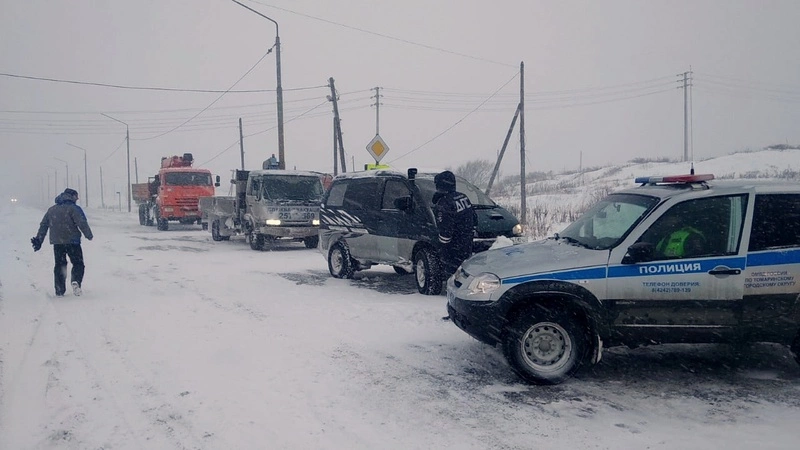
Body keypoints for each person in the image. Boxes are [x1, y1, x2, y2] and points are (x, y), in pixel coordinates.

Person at [31, 188, 93, 297]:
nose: (77, 199)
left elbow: (44, 225)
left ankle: (59, 289)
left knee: (60, 265)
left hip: (57, 242)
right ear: (71, 196)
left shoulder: (52, 210)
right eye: (76, 196)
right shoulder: (74, 209)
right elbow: (82, 222)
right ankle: (76, 281)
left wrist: (39, 240)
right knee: (78, 263)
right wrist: (88, 235)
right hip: (73, 241)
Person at [432, 171, 476, 279]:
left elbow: (445, 230)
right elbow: (474, 218)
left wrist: (442, 248)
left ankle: (454, 290)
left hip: (454, 245)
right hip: (466, 241)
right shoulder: (463, 197)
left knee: (453, 273)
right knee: (464, 269)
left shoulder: (444, 203)